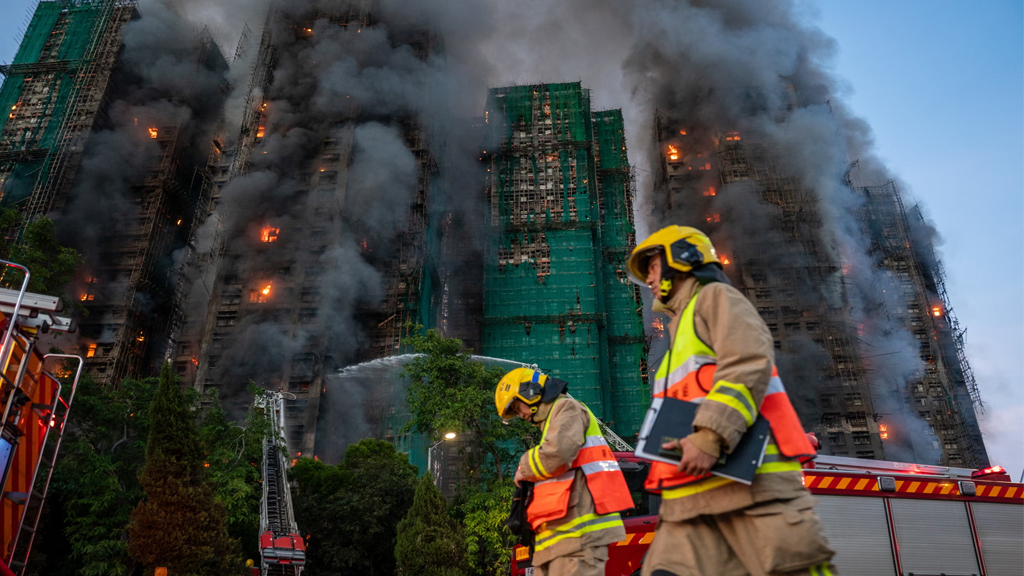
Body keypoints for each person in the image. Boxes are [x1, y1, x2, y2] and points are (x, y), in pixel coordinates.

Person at [625, 225, 838, 576]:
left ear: (682, 258)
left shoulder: (714, 299)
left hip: (751, 485)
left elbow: (747, 362)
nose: (647, 279)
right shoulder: (677, 337)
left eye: (651, 266)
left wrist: (711, 436)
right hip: (693, 494)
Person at [496, 367, 633, 576]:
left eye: (517, 406)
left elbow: (558, 454)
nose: (520, 414)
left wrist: (525, 468)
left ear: (530, 392)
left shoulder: (567, 408)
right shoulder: (551, 426)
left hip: (579, 538)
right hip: (559, 542)